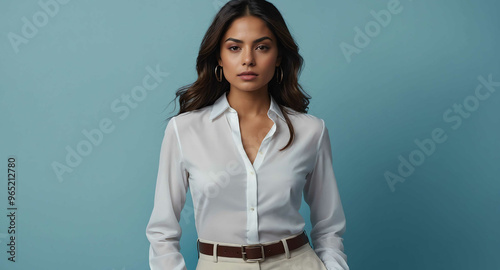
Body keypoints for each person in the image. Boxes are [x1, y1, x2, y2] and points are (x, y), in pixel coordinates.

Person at [145, 0, 349, 269]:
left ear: (278, 57)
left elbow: (329, 227)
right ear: (219, 56)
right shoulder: (184, 130)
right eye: (234, 47)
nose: (248, 59)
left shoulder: (311, 130)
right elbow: (162, 232)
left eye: (262, 47)